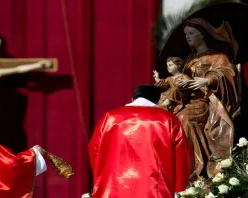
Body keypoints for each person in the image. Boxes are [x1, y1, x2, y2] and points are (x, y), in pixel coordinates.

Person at [88, 85, 193, 198]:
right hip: (153, 189)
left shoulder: (110, 118)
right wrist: (178, 187)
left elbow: (94, 149)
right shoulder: (167, 119)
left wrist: (104, 176)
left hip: (114, 187)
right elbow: (182, 154)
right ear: (157, 100)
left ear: (132, 99)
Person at [176, 18, 240, 179]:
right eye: (186, 34)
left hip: (206, 101)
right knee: (167, 118)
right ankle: (177, 167)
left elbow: (227, 73)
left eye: (191, 33)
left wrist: (207, 80)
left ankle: (196, 170)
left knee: (184, 118)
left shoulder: (217, 56)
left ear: (202, 34)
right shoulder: (188, 59)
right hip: (186, 101)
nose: (188, 37)